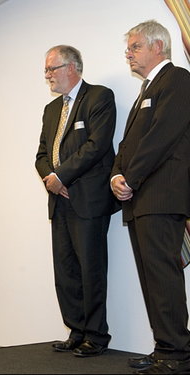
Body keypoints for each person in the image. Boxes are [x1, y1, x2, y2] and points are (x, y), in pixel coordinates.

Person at [111, 20, 190, 374]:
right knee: (150, 278)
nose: (129, 54)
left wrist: (131, 176)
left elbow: (163, 136)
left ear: (158, 46)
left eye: (135, 46)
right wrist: (116, 174)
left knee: (163, 277)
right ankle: (164, 349)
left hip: (162, 195)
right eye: (128, 48)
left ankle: (177, 355)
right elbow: (128, 145)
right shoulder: (146, 89)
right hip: (140, 198)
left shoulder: (178, 80)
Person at [35, 45, 119, 357]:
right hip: (61, 201)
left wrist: (62, 177)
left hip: (89, 200)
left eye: (51, 69)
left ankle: (96, 336)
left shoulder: (99, 97)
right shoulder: (51, 110)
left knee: (91, 269)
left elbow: (97, 146)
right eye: (46, 70)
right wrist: (52, 181)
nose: (47, 76)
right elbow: (42, 154)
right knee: (66, 270)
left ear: (72, 67)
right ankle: (76, 330)